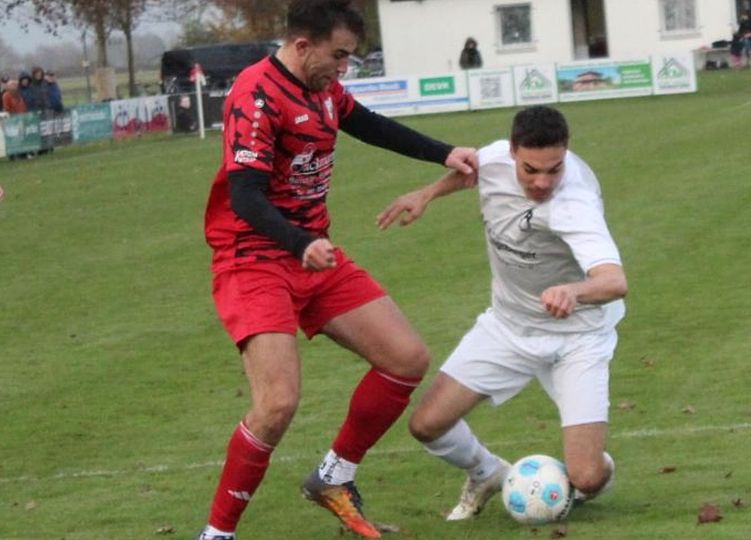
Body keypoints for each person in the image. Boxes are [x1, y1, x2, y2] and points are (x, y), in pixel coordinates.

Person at [196, 1, 478, 539]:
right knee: (277, 404)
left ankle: (334, 477)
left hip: (312, 253)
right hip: (254, 258)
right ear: (303, 46)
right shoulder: (255, 94)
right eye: (340, 55)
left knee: (405, 358)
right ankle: (216, 535)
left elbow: (367, 124)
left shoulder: (322, 86)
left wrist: (445, 154)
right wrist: (300, 243)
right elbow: (245, 197)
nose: (344, 67)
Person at [377, 106, 628, 521]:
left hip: (577, 337)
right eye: (531, 170)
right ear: (512, 151)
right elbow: (471, 172)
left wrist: (574, 290)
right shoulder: (493, 157)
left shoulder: (575, 202)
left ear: (567, 153)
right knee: (426, 424)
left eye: (555, 169)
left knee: (586, 476)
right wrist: (426, 194)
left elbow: (614, 281)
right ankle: (487, 472)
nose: (543, 182)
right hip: (508, 326)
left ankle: (593, 467)